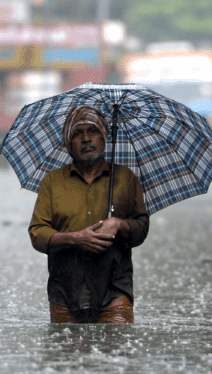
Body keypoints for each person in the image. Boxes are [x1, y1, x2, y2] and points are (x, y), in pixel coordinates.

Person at [28, 105, 149, 324]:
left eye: (92, 131)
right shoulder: (52, 182)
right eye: (77, 133)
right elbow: (37, 233)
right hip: (65, 291)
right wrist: (76, 238)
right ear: (68, 143)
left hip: (114, 290)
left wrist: (119, 224)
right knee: (66, 355)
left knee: (116, 353)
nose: (86, 139)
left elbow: (141, 228)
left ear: (104, 137)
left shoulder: (125, 179)